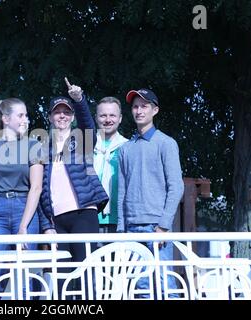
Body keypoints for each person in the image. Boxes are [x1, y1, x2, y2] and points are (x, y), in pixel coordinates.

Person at [40, 77, 109, 298]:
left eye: (66, 112)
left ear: (71, 117)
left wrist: (79, 101)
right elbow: (39, 188)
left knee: (85, 275)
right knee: (61, 279)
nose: (62, 115)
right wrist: (45, 223)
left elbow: (88, 124)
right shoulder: (41, 146)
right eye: (57, 112)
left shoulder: (80, 138)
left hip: (83, 214)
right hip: (56, 220)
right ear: (50, 116)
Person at [117, 88, 184, 299]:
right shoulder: (125, 149)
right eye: (135, 106)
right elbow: (122, 191)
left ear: (155, 110)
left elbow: (177, 186)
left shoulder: (166, 143)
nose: (139, 111)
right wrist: (121, 228)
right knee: (140, 288)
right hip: (131, 229)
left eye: (144, 106)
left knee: (166, 287)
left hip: (157, 227)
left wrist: (163, 226)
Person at [0, 98, 47, 250]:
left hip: (24, 208)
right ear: (6, 119)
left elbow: (37, 187)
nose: (26, 120)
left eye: (26, 116)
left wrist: (23, 226)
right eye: (20, 116)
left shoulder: (34, 145)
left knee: (24, 268)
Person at [93, 97, 128, 238]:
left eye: (112, 115)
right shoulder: (86, 146)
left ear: (120, 118)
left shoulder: (128, 147)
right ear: (96, 118)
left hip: (119, 220)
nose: (108, 120)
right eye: (103, 115)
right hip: (90, 219)